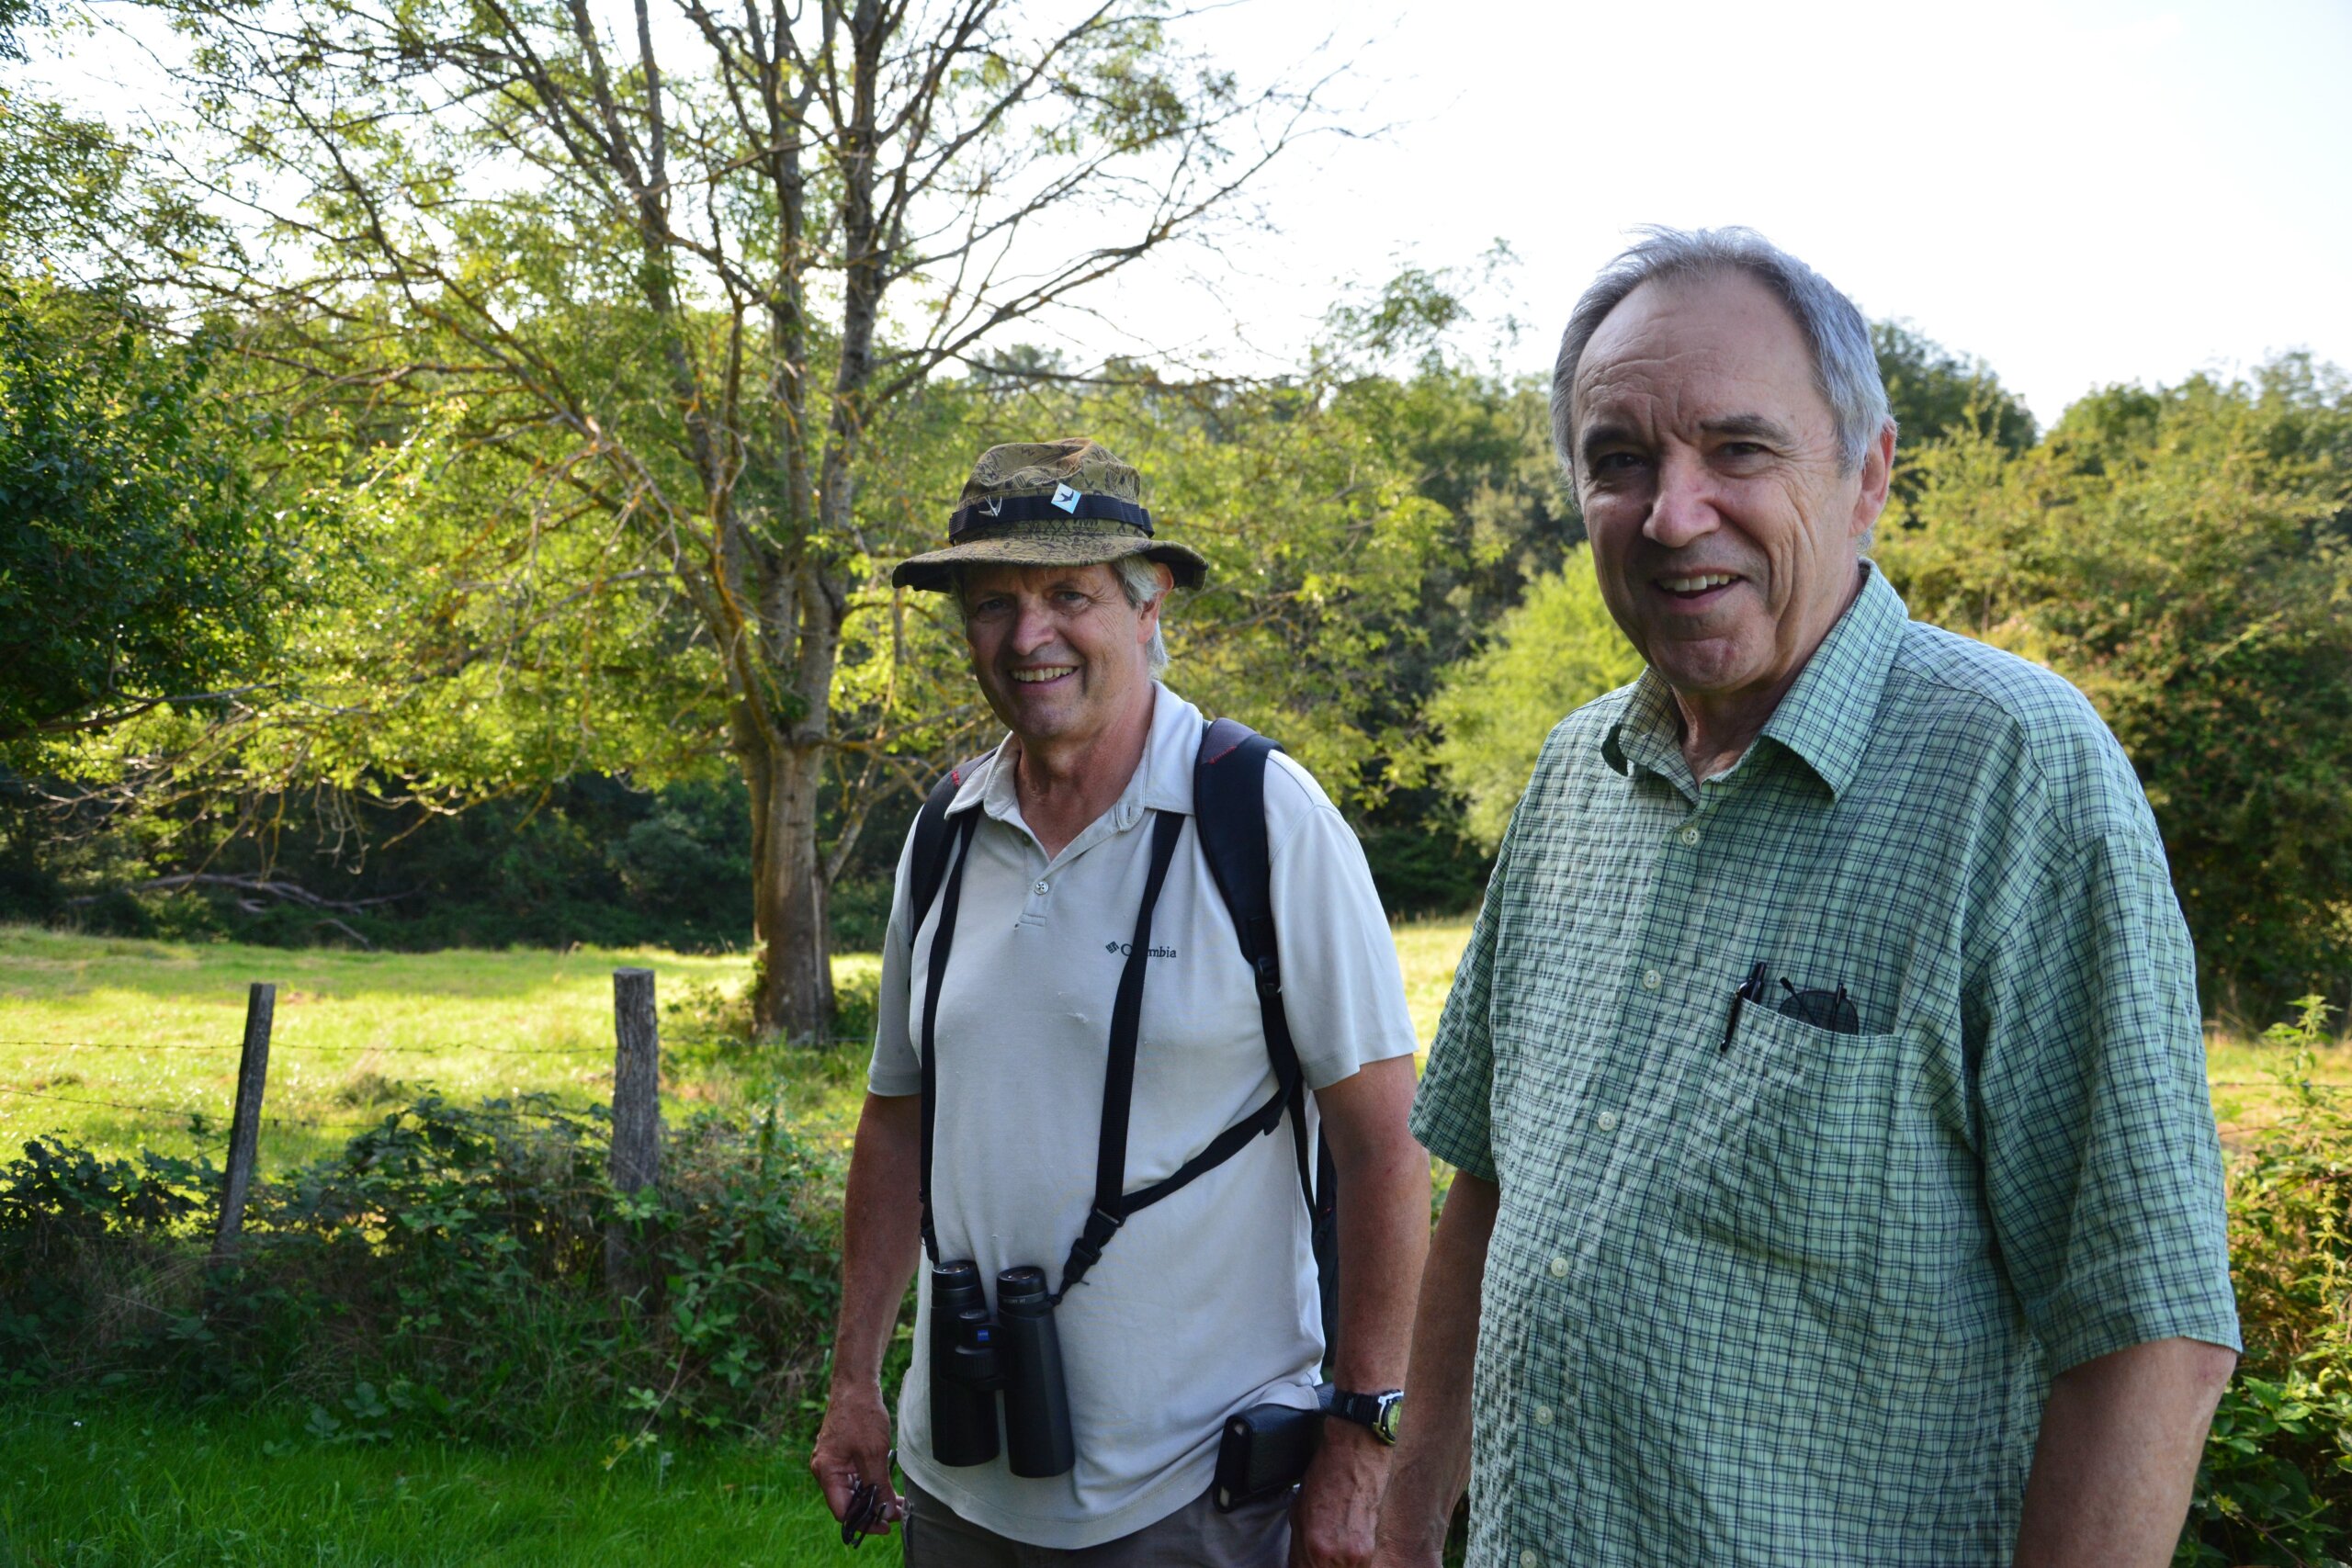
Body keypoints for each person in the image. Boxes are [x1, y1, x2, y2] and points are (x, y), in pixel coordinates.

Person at [1374, 229, 2240, 1567]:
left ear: (1868, 476)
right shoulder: (1573, 772)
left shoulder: (2012, 763)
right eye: (1620, 460)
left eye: (1739, 449)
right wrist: (1407, 1518)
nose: (1672, 513)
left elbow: (2152, 1332)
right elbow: (1485, 1184)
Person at [812, 438, 1430, 1566]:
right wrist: (854, 1377)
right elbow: (896, 1121)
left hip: (1196, 1497)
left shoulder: (1262, 817)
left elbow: (1386, 1148)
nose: (1028, 635)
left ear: (1151, 608)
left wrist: (1360, 1433)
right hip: (954, 1482)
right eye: (992, 601)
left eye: (1068, 595)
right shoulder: (944, 832)